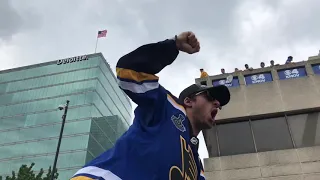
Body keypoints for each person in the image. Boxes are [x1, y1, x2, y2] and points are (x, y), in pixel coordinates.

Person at [70, 31, 230, 180]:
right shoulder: (167, 106)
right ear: (188, 101)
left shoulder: (196, 165)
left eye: (219, 104)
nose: (216, 103)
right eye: (210, 97)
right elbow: (128, 71)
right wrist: (173, 45)